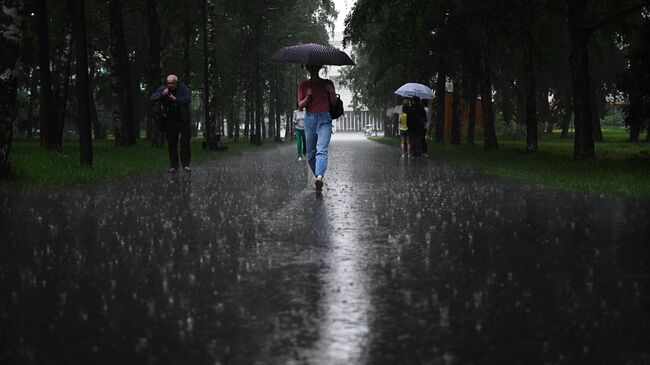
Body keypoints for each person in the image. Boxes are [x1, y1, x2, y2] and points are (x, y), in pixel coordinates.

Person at [298, 64, 337, 191]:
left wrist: (331, 91)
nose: (313, 69)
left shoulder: (328, 83)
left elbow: (333, 103)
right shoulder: (303, 85)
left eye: (316, 66)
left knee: (321, 150)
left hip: (325, 119)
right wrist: (308, 96)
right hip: (310, 120)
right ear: (308, 69)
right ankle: (318, 178)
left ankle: (319, 177)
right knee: (310, 155)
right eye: (311, 67)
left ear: (319, 67)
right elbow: (300, 106)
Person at [150, 74, 192, 173]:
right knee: (172, 144)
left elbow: (188, 99)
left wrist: (176, 99)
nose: (170, 85)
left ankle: (186, 165)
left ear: (176, 82)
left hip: (183, 120)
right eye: (168, 83)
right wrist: (162, 94)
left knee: (185, 143)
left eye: (172, 83)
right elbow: (153, 98)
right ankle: (174, 166)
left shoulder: (183, 88)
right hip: (170, 120)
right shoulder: (164, 89)